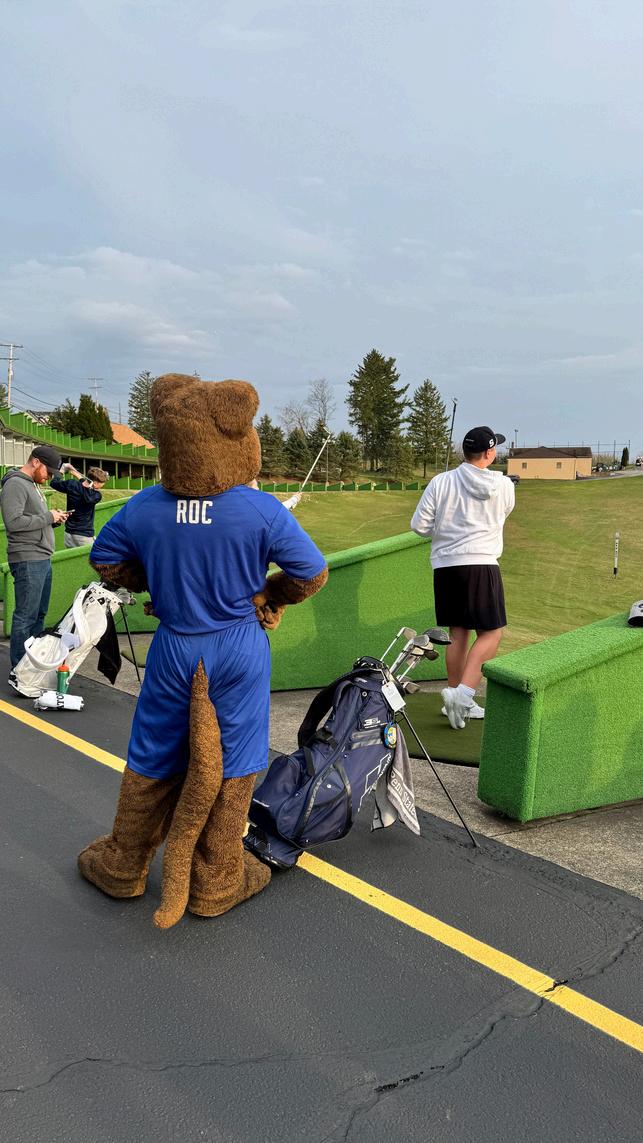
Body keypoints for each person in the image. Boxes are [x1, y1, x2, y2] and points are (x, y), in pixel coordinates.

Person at [410, 426, 515, 730]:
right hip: (482, 564)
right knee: (492, 633)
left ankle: (452, 700)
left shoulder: (441, 482)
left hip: (447, 567)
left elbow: (419, 526)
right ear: (490, 452)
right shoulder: (504, 485)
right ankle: (464, 695)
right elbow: (503, 513)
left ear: (464, 452)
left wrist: (447, 527)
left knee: (458, 633)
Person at [0, 445, 70, 670]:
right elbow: (13, 522)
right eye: (49, 471)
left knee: (38, 615)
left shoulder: (31, 484)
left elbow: (32, 520)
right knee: (26, 616)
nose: (49, 477)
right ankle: (20, 670)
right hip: (28, 558)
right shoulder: (15, 484)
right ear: (36, 462)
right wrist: (48, 517)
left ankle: (32, 664)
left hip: (40, 556)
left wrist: (53, 520)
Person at [49, 463, 109, 547]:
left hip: (69, 535)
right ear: (94, 483)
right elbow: (86, 494)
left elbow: (54, 483)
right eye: (100, 485)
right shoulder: (96, 495)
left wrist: (62, 471)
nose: (100, 488)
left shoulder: (72, 484)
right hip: (84, 536)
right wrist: (78, 475)